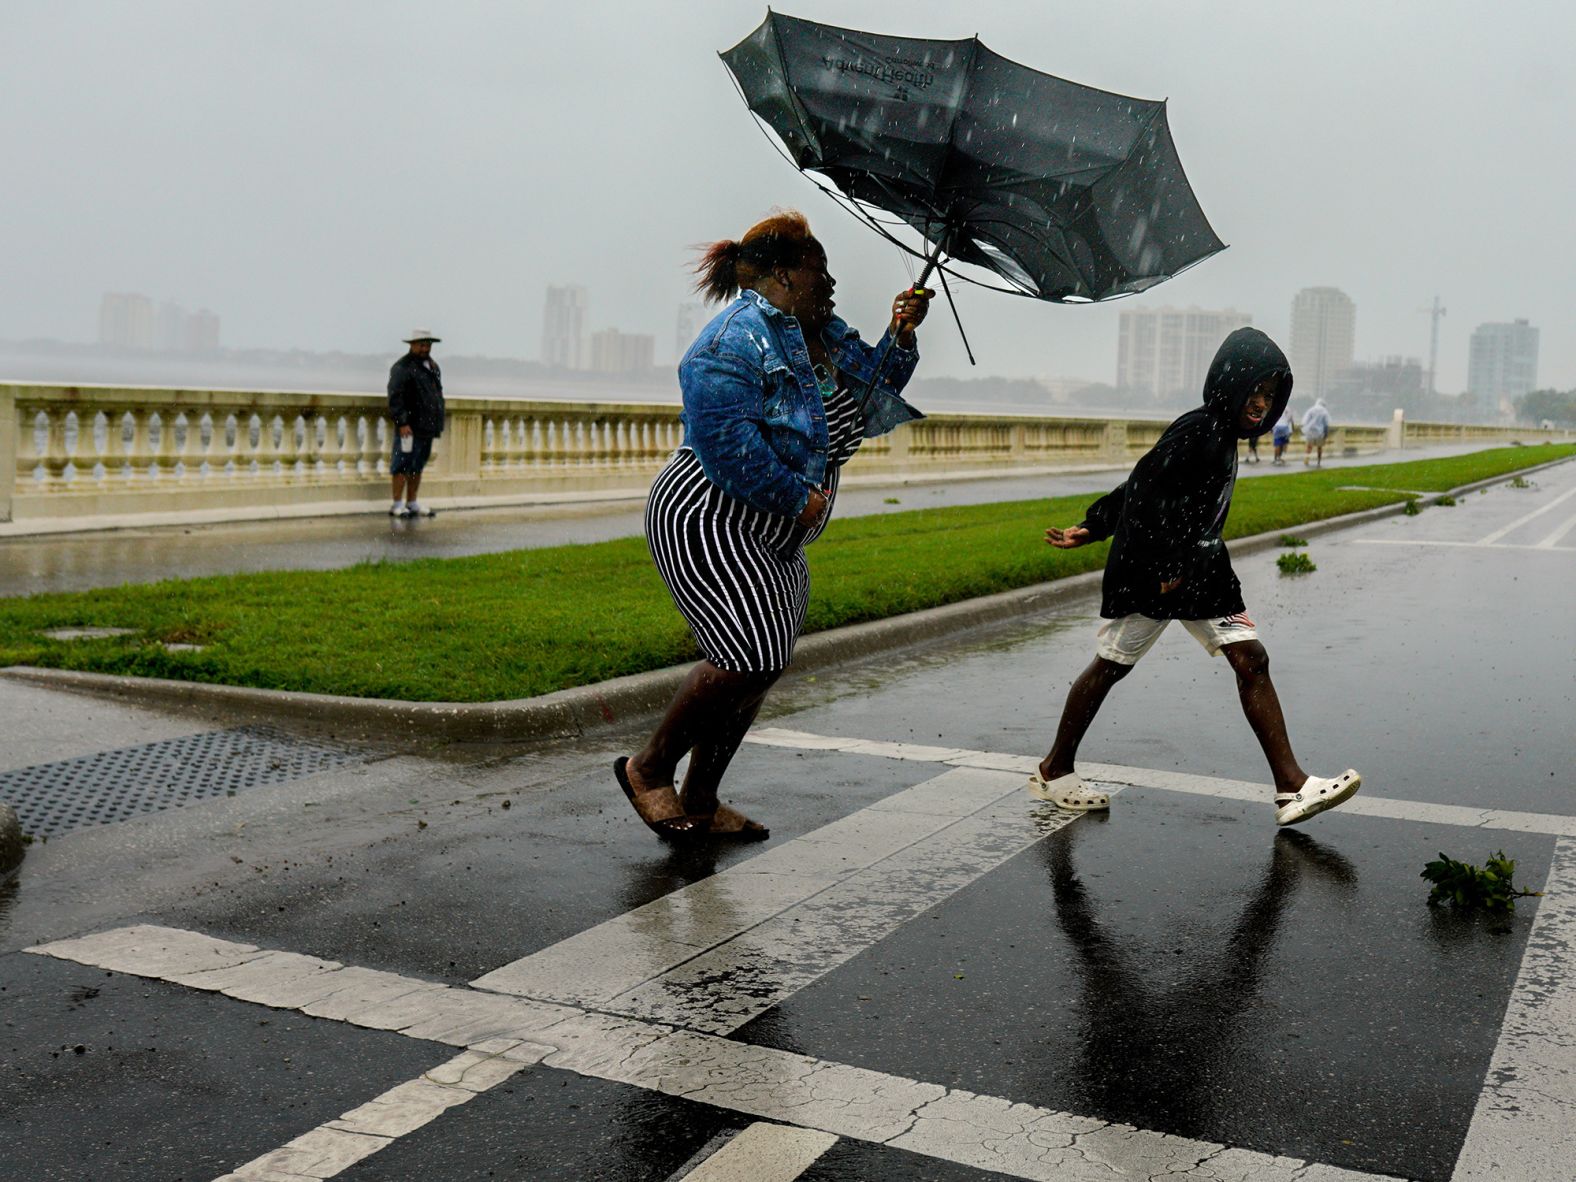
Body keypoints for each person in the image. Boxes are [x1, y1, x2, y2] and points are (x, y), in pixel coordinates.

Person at [617, 210, 931, 842]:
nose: (834, 283)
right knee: (749, 655)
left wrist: (900, 334)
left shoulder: (826, 330)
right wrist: (799, 499)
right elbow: (727, 446)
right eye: (822, 271)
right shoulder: (727, 344)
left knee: (765, 661)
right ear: (786, 275)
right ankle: (648, 770)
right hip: (709, 512)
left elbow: (873, 392)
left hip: (777, 527)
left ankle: (700, 799)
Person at [1033, 327, 1361, 827]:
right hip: (1162, 574)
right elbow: (1146, 488)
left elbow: (1155, 489)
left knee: (1252, 660)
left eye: (1270, 396)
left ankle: (1291, 786)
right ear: (1229, 385)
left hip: (1204, 572)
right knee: (1111, 665)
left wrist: (1094, 527)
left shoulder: (1224, 436)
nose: (1260, 404)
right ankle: (1056, 769)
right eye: (1254, 391)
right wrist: (1112, 535)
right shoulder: (1201, 430)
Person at [386, 330, 445, 517]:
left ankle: (412, 502)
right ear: (412, 345)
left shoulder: (432, 366)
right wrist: (402, 422)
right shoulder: (402, 367)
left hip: (426, 427)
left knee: (417, 466)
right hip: (409, 427)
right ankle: (397, 504)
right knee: (401, 465)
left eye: (428, 345)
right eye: (421, 344)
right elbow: (395, 398)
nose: (425, 348)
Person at [1301, 396, 1331, 467]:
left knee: (1309, 447)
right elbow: (1326, 424)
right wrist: (1326, 434)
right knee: (1319, 447)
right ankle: (1318, 461)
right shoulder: (1324, 411)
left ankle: (1306, 460)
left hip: (1310, 431)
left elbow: (1305, 421)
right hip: (1320, 433)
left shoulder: (1311, 410)